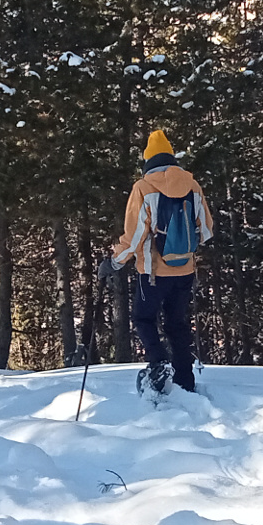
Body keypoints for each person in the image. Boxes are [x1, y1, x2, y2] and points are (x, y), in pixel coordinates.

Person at [100, 129, 213, 395]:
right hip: (185, 270)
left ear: (148, 160)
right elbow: (206, 231)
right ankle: (185, 378)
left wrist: (114, 262)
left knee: (144, 318)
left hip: (152, 273)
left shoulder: (144, 187)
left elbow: (136, 234)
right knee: (177, 323)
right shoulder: (192, 185)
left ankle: (159, 364)